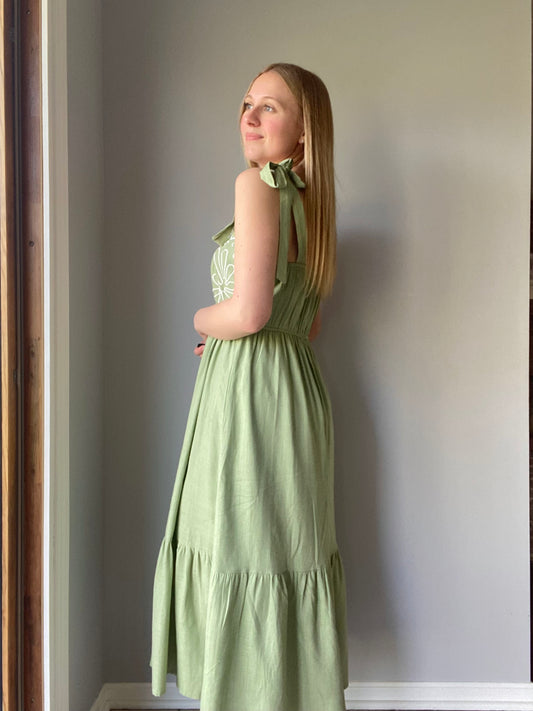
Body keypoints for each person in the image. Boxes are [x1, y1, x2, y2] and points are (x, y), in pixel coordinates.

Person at [151, 62, 348, 711]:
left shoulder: (256, 187)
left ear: (304, 130)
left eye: (270, 106)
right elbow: (304, 322)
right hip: (294, 389)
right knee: (279, 543)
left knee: (238, 537)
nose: (250, 115)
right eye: (246, 103)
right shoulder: (314, 206)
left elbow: (250, 313)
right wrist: (231, 333)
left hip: (248, 394)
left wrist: (200, 320)